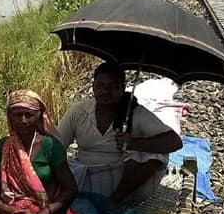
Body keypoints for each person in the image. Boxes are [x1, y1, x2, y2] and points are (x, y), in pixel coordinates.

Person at [58, 62, 183, 204]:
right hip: (83, 178)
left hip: (123, 185)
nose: (106, 91)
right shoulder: (80, 110)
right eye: (100, 86)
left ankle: (115, 201)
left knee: (156, 154)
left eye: (112, 86)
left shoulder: (135, 112)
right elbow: (56, 145)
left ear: (123, 88)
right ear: (93, 87)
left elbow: (174, 142)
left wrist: (134, 143)